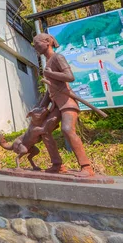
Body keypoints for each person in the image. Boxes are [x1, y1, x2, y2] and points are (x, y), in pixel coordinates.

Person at [33, 33, 95, 177]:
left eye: (37, 44)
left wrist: (51, 74)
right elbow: (50, 90)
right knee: (44, 130)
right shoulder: (48, 63)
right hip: (56, 105)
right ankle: (57, 164)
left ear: (47, 42)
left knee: (67, 129)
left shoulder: (57, 58)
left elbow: (69, 77)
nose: (36, 47)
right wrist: (42, 106)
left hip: (67, 102)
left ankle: (86, 167)